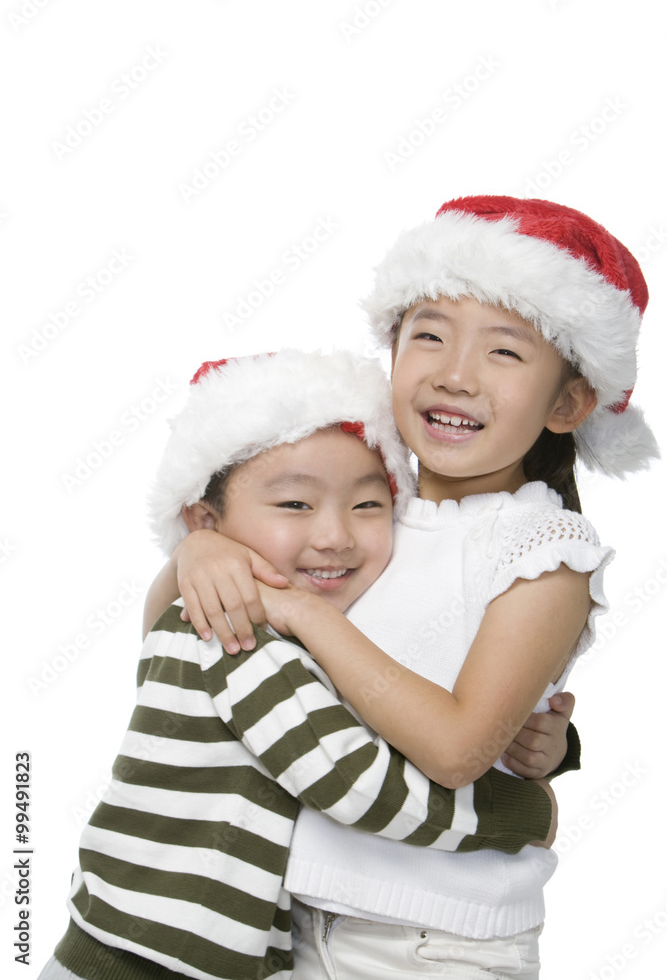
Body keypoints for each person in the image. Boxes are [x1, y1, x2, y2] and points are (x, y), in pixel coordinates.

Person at [167, 197, 658, 978]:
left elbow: (459, 749)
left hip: (435, 944)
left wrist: (297, 611)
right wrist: (196, 551)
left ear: (566, 403)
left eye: (504, 352)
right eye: (427, 334)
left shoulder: (544, 548)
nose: (454, 374)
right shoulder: (366, 504)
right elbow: (196, 634)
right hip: (288, 918)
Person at [38, 348, 565, 980]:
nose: (336, 536)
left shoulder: (280, 616)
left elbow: (418, 677)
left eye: (369, 506)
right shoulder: (236, 633)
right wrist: (528, 812)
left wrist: (547, 738)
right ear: (205, 518)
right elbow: (355, 781)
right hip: (145, 959)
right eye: (294, 506)